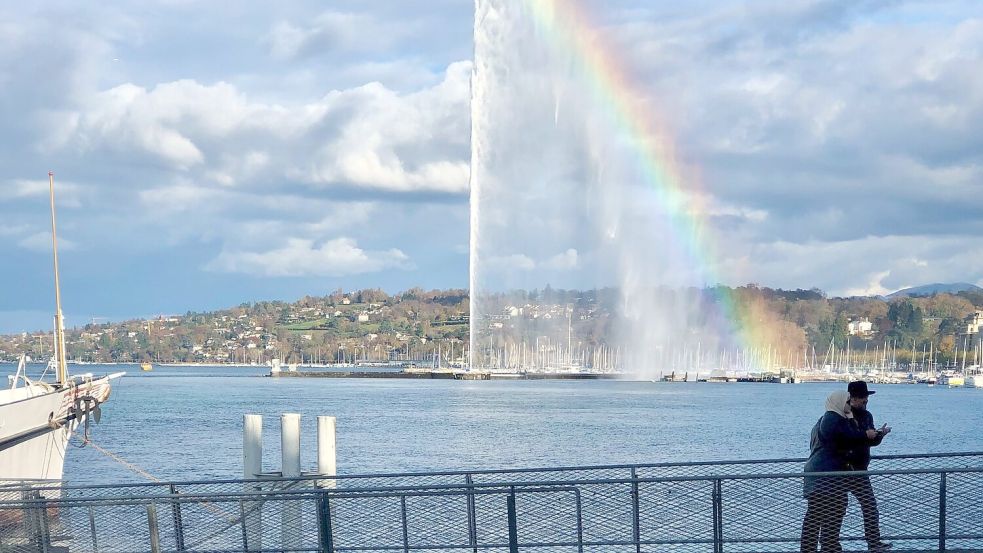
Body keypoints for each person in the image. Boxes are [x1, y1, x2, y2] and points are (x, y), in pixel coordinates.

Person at [801, 390, 878, 553]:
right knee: (831, 511)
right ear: (839, 402)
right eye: (847, 402)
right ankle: (828, 547)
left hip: (821, 473)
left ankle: (816, 548)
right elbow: (847, 438)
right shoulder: (832, 419)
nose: (849, 405)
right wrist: (863, 432)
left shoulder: (826, 419)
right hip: (827, 474)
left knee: (818, 513)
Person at [846, 381, 893, 551]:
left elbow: (870, 442)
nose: (866, 404)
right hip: (844, 467)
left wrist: (879, 435)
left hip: (860, 469)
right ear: (853, 399)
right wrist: (864, 434)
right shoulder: (842, 414)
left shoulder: (867, 416)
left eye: (867, 400)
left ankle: (873, 543)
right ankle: (830, 544)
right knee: (836, 508)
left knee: (870, 506)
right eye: (863, 401)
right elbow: (844, 437)